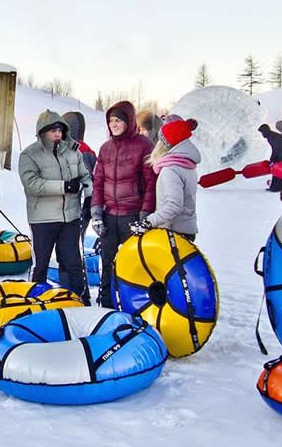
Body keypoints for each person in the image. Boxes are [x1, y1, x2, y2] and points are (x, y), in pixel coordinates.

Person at [18, 110, 92, 301]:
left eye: (59, 130)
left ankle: (78, 300)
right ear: (42, 132)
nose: (57, 134)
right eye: (53, 131)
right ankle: (35, 303)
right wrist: (64, 186)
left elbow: (85, 176)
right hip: (43, 219)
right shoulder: (29, 154)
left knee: (72, 262)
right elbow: (32, 184)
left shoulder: (73, 152)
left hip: (70, 217)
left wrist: (89, 195)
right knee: (40, 264)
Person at [90, 101, 155, 308]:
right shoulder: (105, 148)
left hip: (132, 215)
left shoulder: (144, 146)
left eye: (118, 120)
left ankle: (136, 307)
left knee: (135, 263)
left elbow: (151, 184)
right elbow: (98, 183)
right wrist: (96, 213)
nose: (114, 124)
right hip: (110, 215)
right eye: (111, 121)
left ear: (129, 120)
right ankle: (106, 304)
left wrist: (145, 215)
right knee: (107, 262)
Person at [131, 116, 200, 240]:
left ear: (166, 143)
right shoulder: (187, 164)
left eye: (160, 140)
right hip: (185, 230)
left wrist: (148, 222)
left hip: (174, 233)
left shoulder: (171, 169)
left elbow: (173, 206)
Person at [62, 110, 97, 242]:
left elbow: (88, 179)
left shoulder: (76, 150)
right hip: (81, 205)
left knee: (72, 243)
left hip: (77, 205)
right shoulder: (87, 149)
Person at [259, 123, 282, 192]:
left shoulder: (272, 137)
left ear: (265, 131)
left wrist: (273, 159)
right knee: (276, 170)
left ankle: (277, 188)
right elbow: (275, 149)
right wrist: (273, 160)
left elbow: (276, 149)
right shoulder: (271, 136)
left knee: (281, 171)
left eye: (262, 132)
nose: (262, 135)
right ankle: (273, 187)